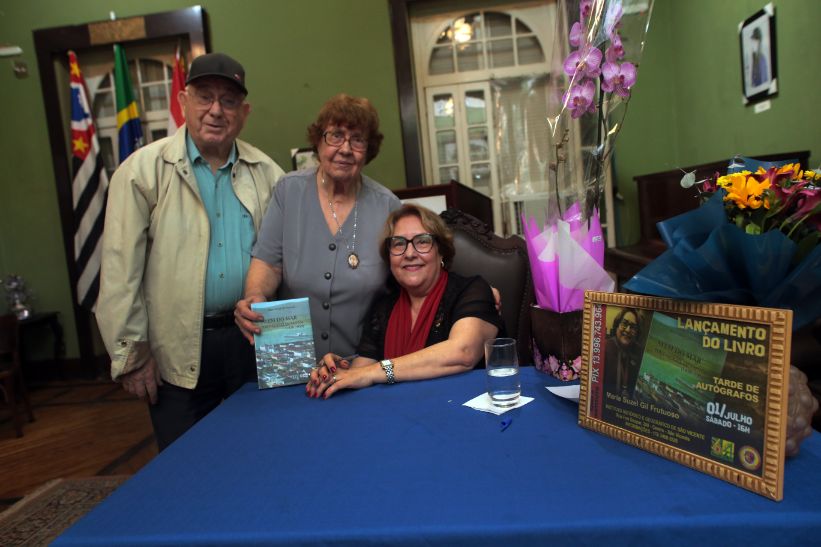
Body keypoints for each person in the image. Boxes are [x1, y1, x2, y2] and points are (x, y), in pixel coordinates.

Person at [97, 53, 285, 450]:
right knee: (187, 465)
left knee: (263, 453)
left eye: (229, 100)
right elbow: (119, 273)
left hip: (252, 340)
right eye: (204, 97)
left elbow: (283, 259)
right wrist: (132, 356)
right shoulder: (141, 172)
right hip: (176, 349)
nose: (216, 110)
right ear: (183, 101)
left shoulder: (268, 174)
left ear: (244, 112)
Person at [235, 94, 402, 358]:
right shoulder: (289, 191)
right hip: (294, 362)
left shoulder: (388, 206)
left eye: (357, 139)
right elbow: (268, 263)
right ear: (318, 140)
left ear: (369, 149)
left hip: (363, 364)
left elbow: (408, 278)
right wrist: (255, 296)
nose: (345, 149)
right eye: (335, 135)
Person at [306, 204, 503, 398]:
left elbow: (463, 353)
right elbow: (361, 373)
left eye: (423, 241)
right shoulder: (383, 307)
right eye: (398, 243)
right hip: (397, 412)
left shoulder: (472, 290)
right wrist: (336, 373)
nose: (409, 253)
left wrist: (375, 371)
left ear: (441, 251)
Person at [603, 307, 642, 399]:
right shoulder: (604, 347)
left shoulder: (638, 353)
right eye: (624, 323)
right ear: (617, 325)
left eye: (633, 327)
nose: (628, 330)